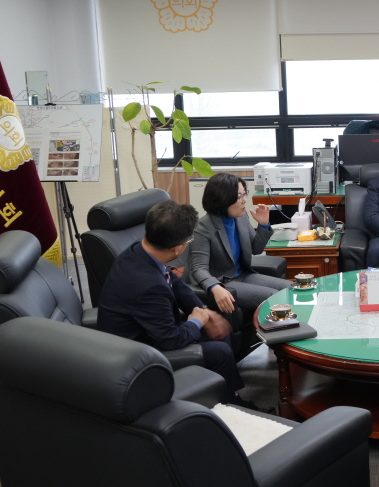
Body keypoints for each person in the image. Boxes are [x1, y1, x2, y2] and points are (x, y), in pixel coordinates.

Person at [97, 199, 257, 407]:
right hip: (136, 353)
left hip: (149, 329)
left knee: (216, 326)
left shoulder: (139, 250)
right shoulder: (148, 286)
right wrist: (196, 322)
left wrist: (205, 313)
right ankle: (229, 407)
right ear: (177, 249)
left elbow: (175, 282)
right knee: (220, 351)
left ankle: (228, 396)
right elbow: (170, 340)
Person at [188, 173, 291, 352]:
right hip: (224, 282)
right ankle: (283, 350)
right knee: (274, 298)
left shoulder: (241, 217)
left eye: (245, 194)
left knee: (290, 289)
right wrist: (215, 287)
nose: (245, 200)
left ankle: (295, 340)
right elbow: (198, 268)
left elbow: (255, 249)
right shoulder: (202, 228)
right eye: (239, 197)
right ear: (222, 198)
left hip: (244, 275)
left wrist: (264, 225)